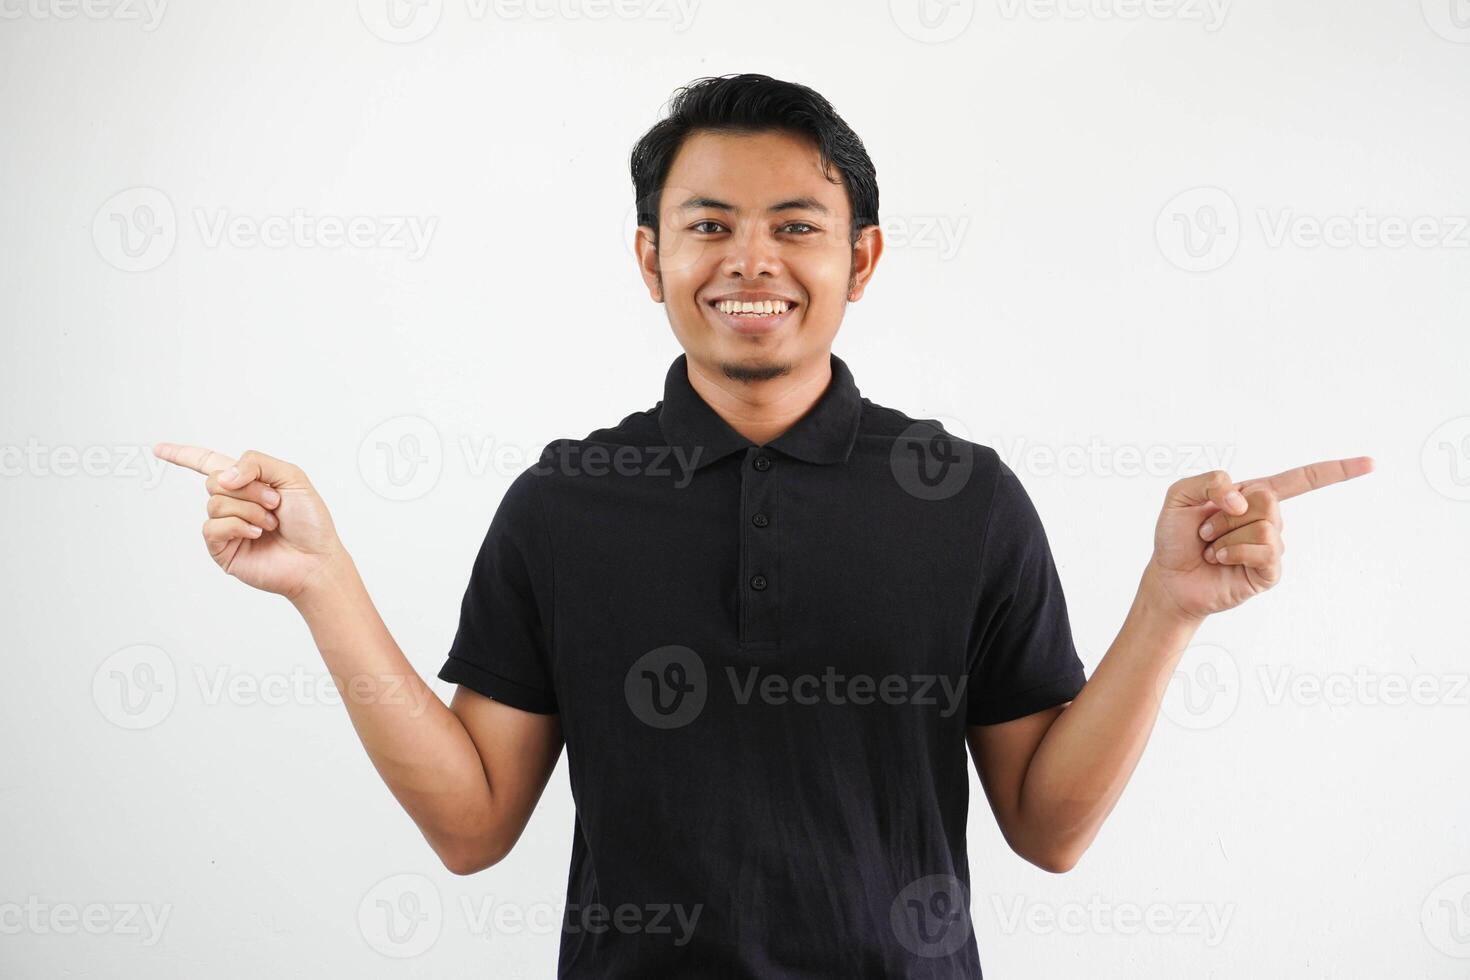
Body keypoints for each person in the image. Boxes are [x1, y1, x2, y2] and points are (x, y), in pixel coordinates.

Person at [155, 73, 1374, 978]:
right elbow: (473, 825)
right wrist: (324, 581)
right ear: (650, 256)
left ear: (863, 256)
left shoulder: (963, 493)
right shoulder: (563, 501)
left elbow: (1048, 830)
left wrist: (1167, 610)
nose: (753, 259)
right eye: (708, 224)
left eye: (797, 224)